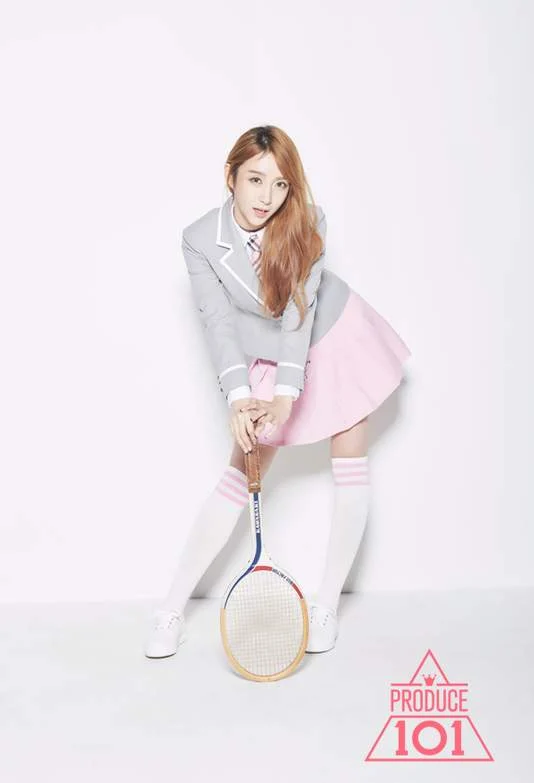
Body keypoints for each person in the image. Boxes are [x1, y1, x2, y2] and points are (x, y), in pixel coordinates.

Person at [144, 125, 411, 658]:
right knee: (242, 470)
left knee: (350, 456)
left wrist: (286, 395)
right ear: (231, 176)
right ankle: (170, 610)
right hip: (267, 351)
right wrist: (240, 398)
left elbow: (298, 314)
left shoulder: (308, 222)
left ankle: (326, 605)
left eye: (281, 184)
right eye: (255, 180)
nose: (267, 197)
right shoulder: (199, 238)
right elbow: (218, 323)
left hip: (332, 334)